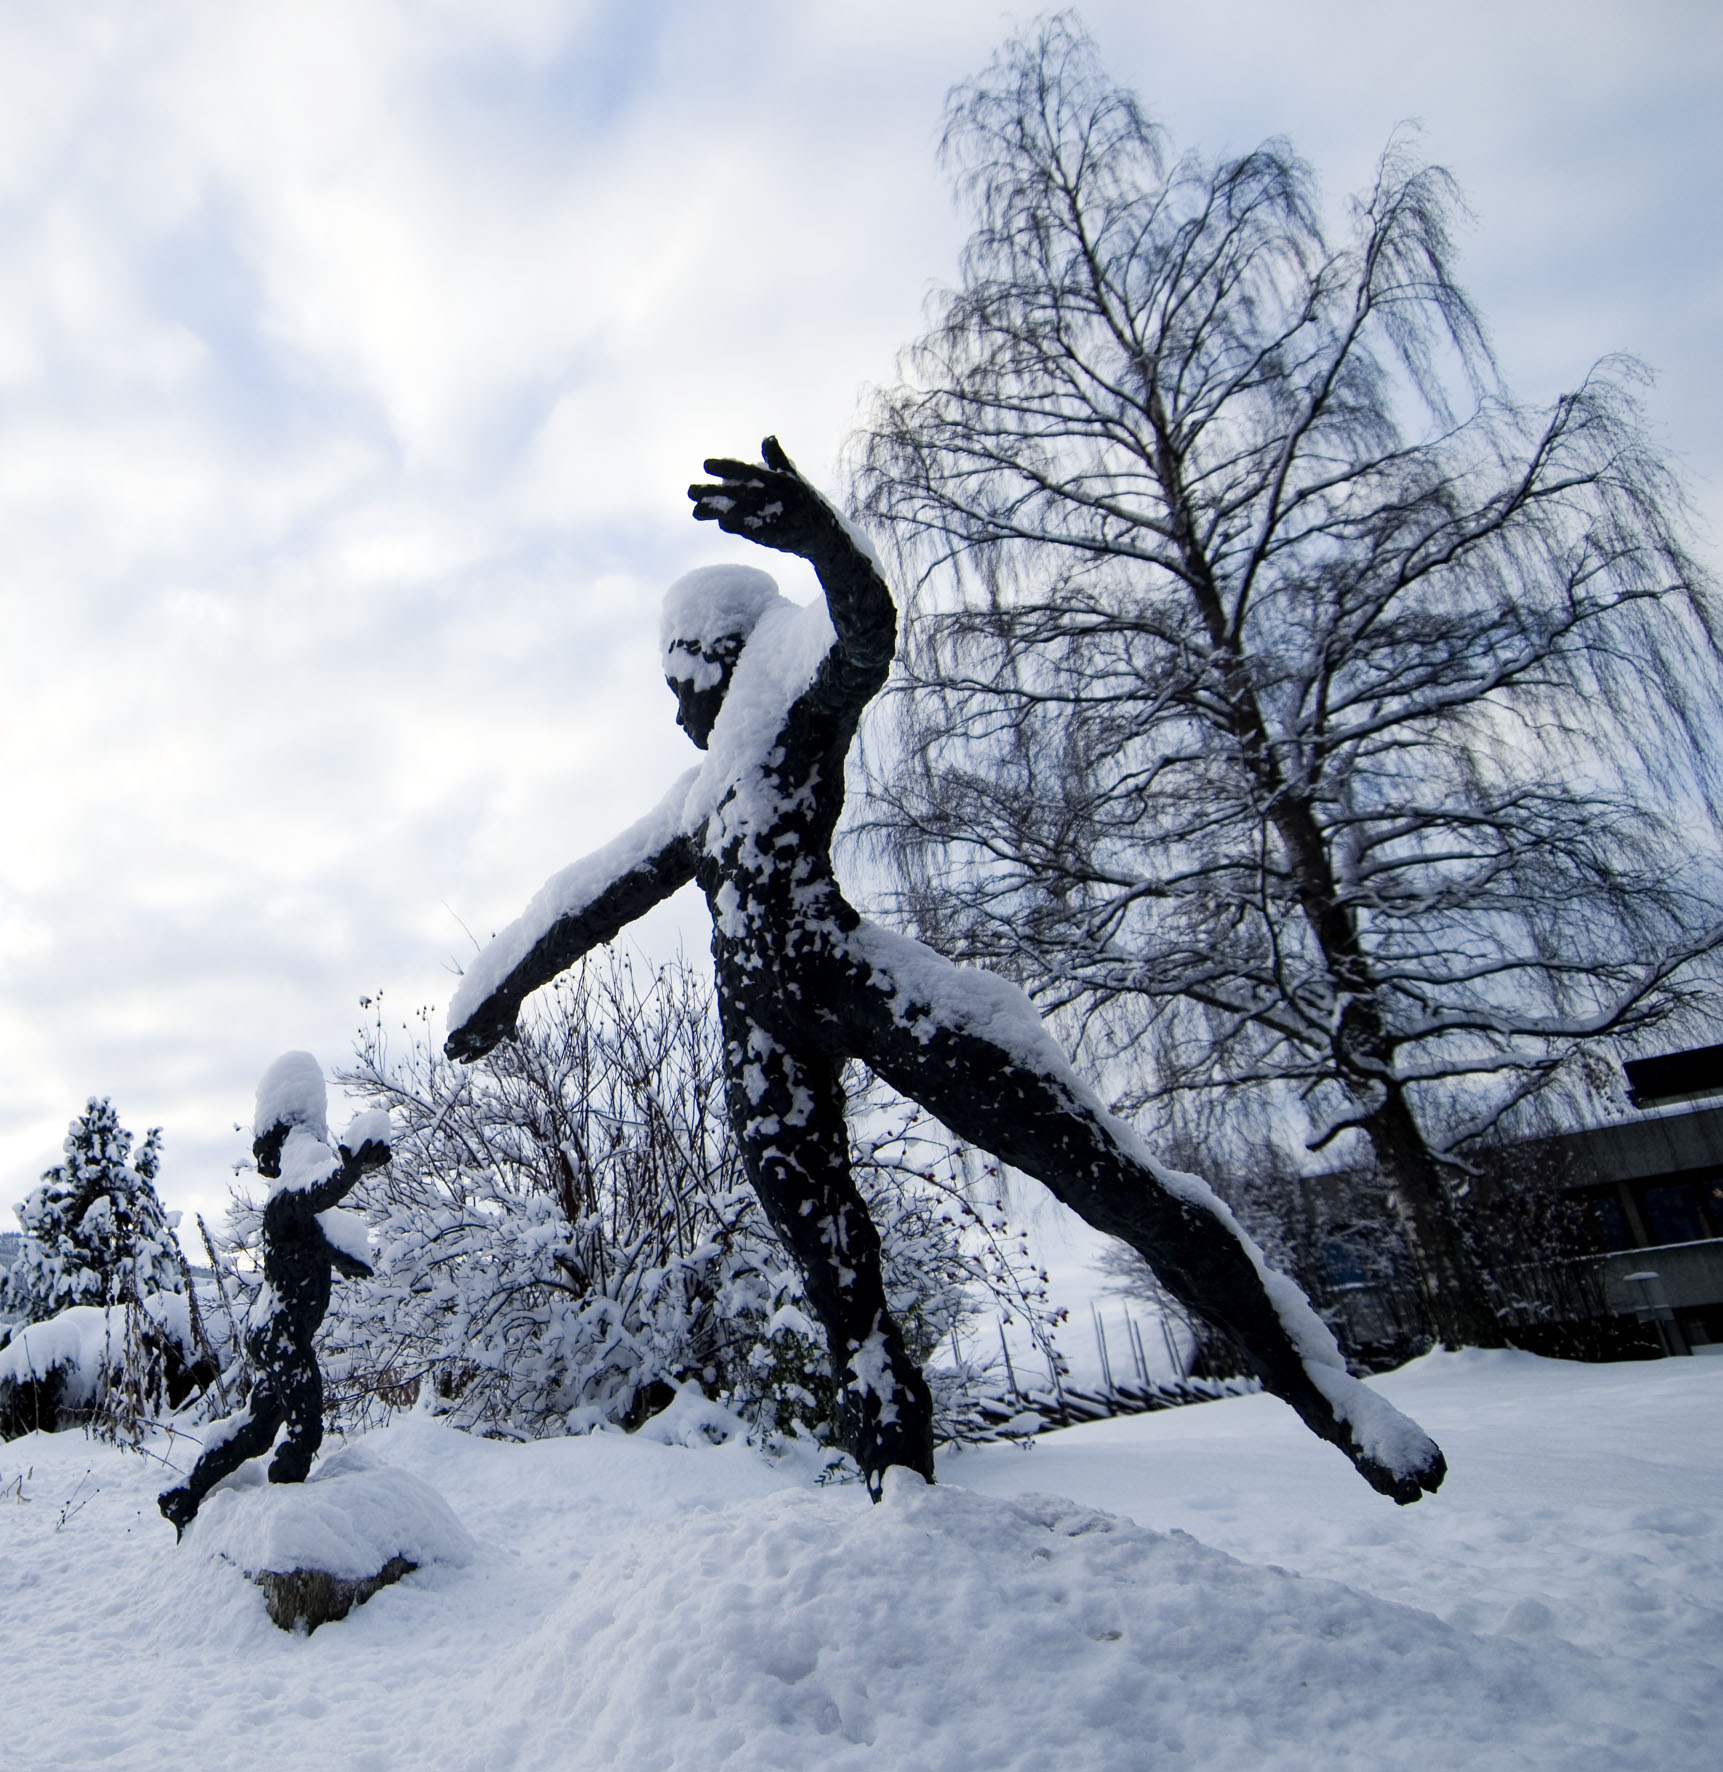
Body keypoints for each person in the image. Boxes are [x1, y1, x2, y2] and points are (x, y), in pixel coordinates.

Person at [445, 439, 1446, 1504]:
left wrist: (822, 541)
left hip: (863, 986)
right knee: (848, 1305)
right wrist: (494, 992)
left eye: (683, 671)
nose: (676, 698)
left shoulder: (796, 720)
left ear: (731, 656)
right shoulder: (695, 805)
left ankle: (1334, 1397)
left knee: (1107, 1177)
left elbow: (868, 640)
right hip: (763, 1054)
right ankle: (902, 1505)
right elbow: (584, 898)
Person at [158, 1053, 395, 1534]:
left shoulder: (294, 1207)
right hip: (282, 1328)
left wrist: (347, 1258)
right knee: (305, 1419)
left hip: (270, 1327)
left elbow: (323, 1234)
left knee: (257, 1427)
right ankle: (287, 1508)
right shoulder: (288, 1200)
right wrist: (349, 1172)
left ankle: (188, 1491)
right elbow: (319, 1195)